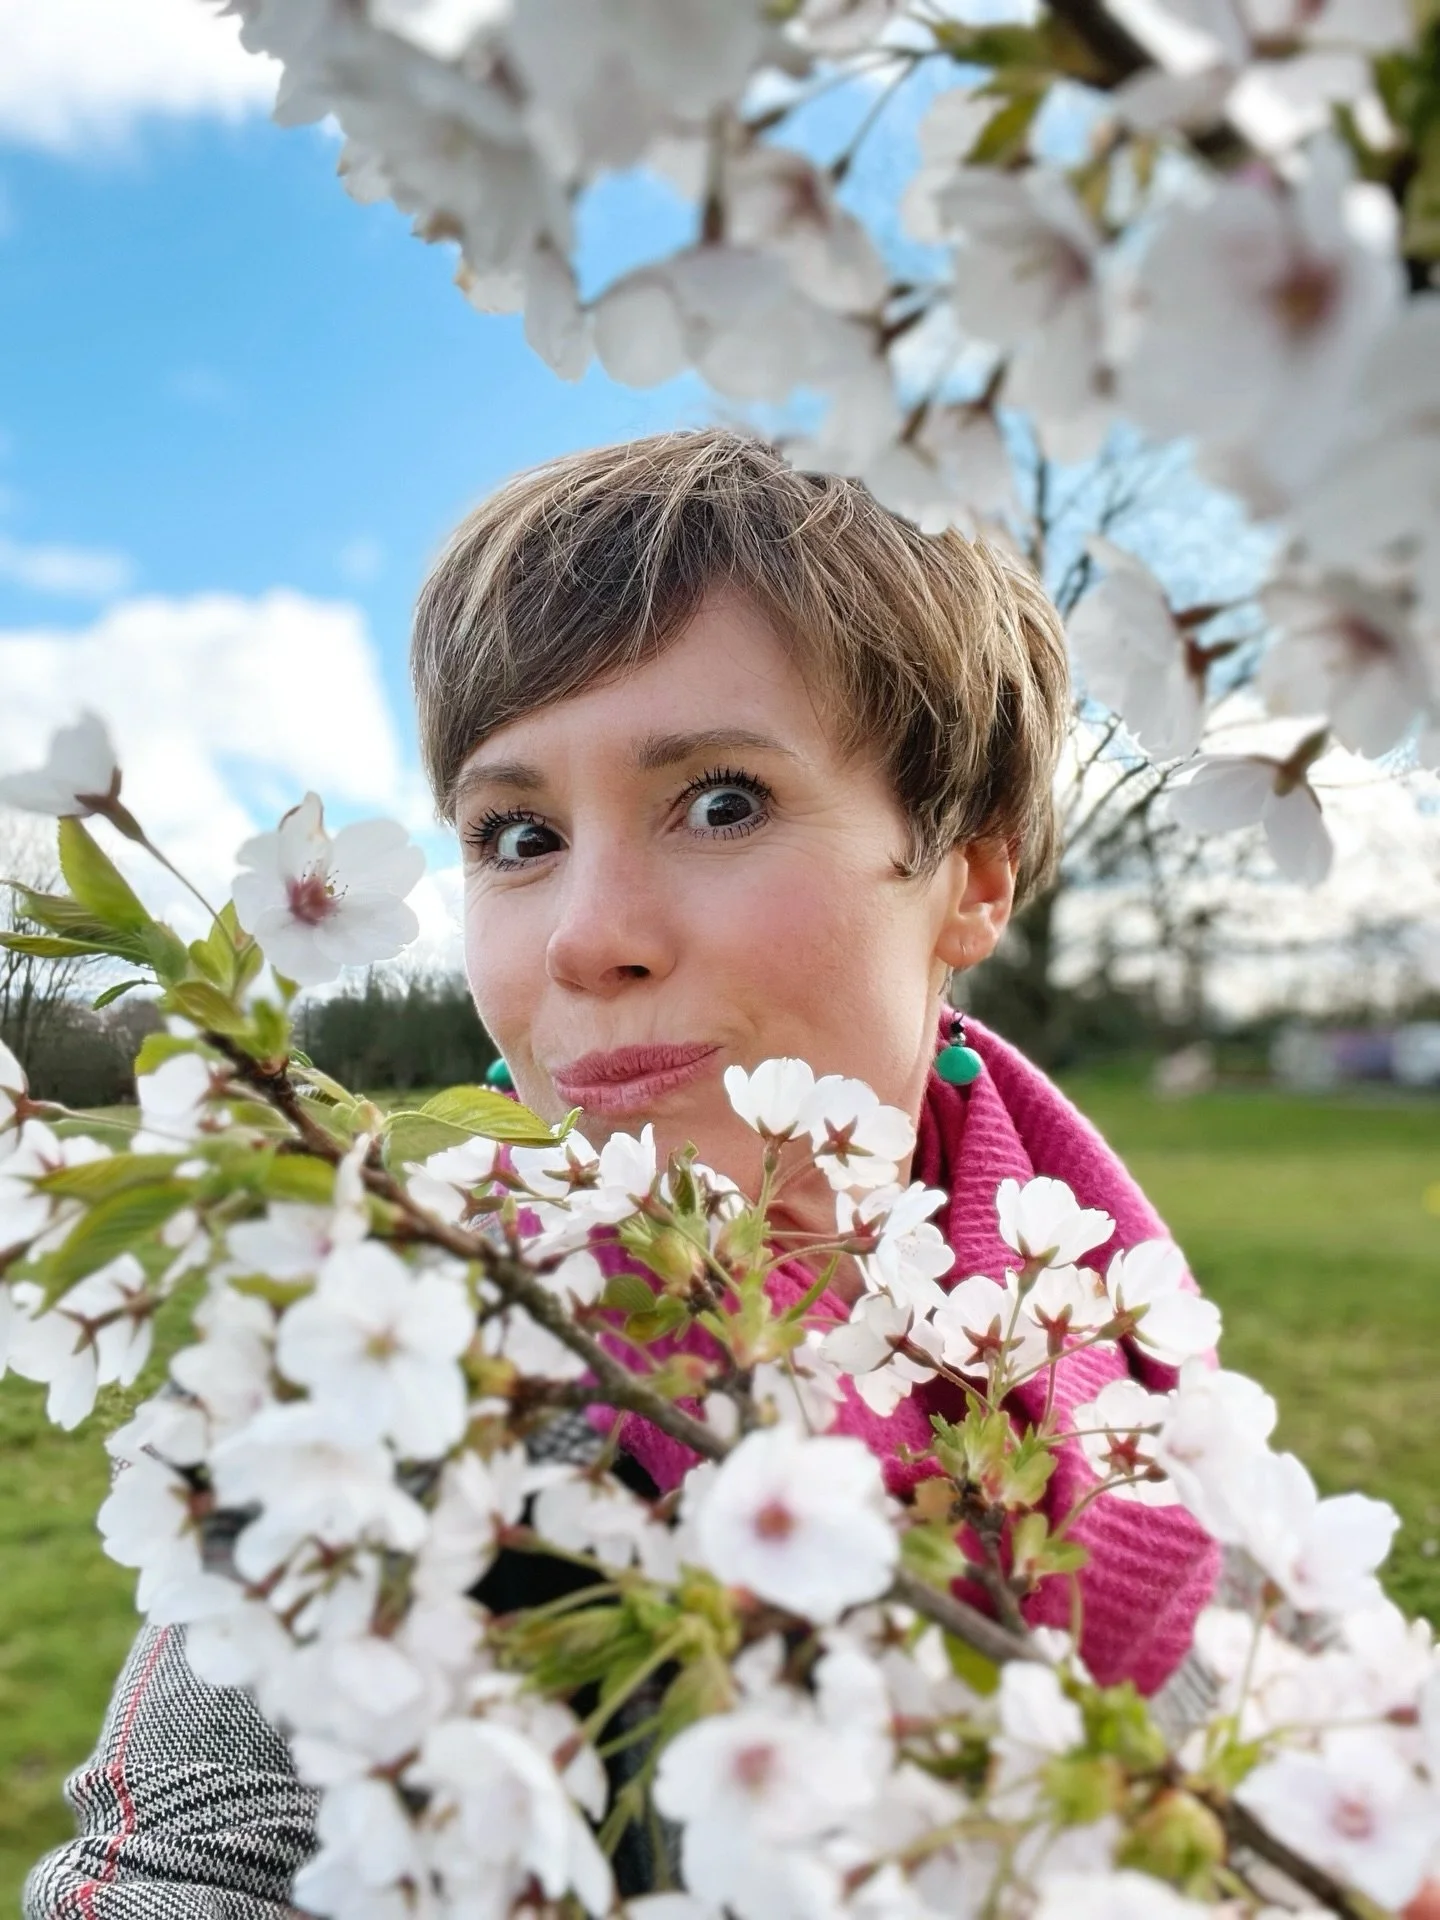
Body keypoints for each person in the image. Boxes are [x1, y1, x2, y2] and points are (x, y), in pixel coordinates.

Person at [28, 428, 1221, 1918]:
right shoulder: (382, 1375)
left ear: (972, 869)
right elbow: (184, 1867)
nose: (587, 935)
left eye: (722, 801)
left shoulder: (1117, 1338)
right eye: (515, 835)